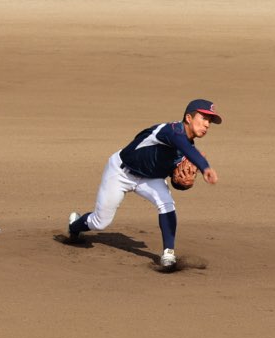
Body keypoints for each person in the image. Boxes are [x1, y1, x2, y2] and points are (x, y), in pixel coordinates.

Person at [66, 99, 222, 269]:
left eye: (210, 121)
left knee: (167, 204)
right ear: (188, 118)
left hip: (150, 179)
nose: (207, 125)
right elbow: (184, 146)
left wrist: (181, 183)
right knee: (100, 222)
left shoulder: (186, 151)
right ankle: (75, 225)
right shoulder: (171, 131)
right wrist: (204, 167)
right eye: (204, 118)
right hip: (120, 173)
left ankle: (168, 253)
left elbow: (176, 177)